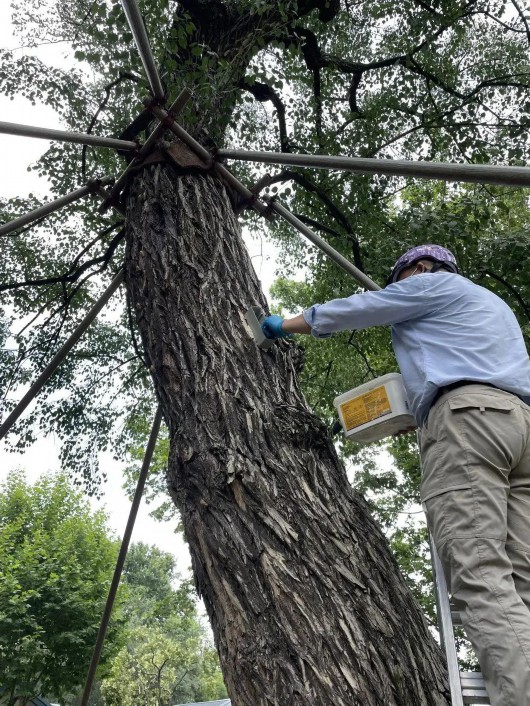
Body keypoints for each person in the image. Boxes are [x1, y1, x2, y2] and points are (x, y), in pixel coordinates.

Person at [261, 244, 530, 706]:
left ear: (421, 269)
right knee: (522, 577)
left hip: (469, 421)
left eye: (400, 277)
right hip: (519, 425)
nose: (396, 287)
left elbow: (364, 307)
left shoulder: (433, 284)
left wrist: (285, 325)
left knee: (480, 574)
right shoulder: (491, 305)